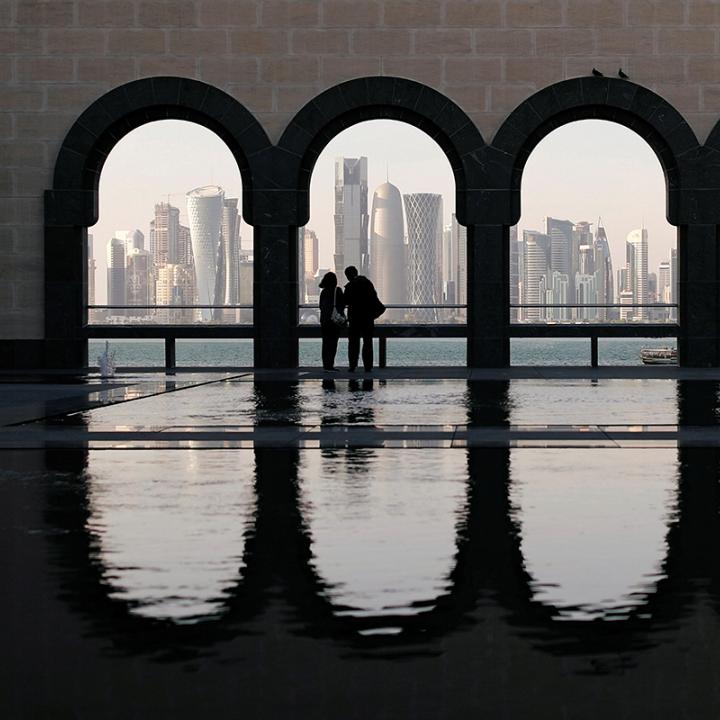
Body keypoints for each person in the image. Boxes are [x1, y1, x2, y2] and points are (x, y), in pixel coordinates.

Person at [343, 265, 380, 372]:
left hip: (354, 318)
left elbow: (346, 301)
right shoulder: (367, 283)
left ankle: (353, 365)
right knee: (367, 342)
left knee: (353, 343)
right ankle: (368, 366)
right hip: (368, 317)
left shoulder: (350, 286)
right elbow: (374, 297)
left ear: (348, 275)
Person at [318, 271, 345, 372]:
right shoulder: (337, 291)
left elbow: (321, 306)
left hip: (324, 321)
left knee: (325, 343)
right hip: (334, 321)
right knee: (333, 343)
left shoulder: (323, 292)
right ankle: (330, 365)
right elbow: (342, 304)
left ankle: (326, 365)